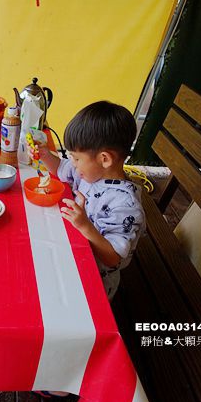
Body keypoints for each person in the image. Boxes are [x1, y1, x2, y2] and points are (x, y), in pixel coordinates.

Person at [37, 100, 145, 301]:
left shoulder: (124, 205)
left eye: (77, 158)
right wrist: (44, 155)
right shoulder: (90, 173)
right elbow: (61, 168)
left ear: (104, 159)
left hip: (95, 279)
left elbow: (112, 258)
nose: (73, 164)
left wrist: (85, 226)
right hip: (77, 250)